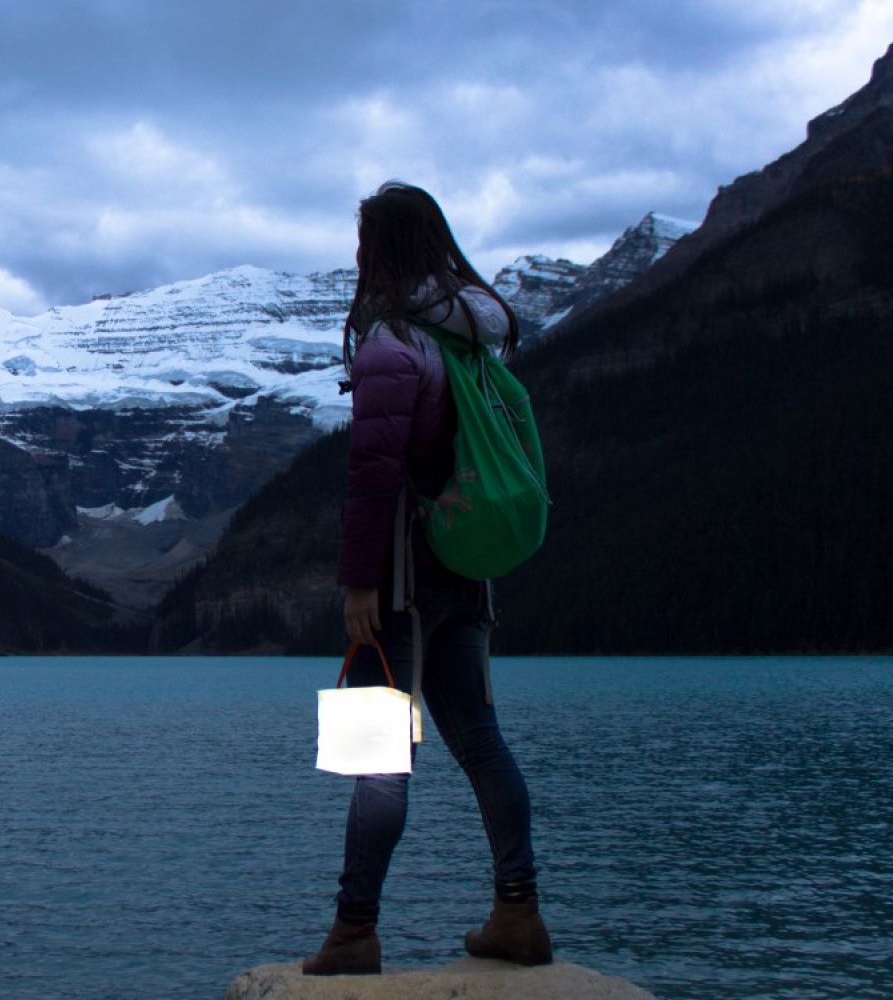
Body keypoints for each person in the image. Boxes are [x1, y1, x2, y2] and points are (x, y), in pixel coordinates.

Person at [302, 182, 552, 976]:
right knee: (482, 743)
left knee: (378, 755)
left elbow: (373, 473)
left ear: (378, 249)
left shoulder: (390, 343)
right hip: (468, 573)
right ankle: (519, 913)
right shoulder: (471, 336)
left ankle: (353, 933)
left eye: (361, 239)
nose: (354, 254)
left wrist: (358, 583)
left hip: (402, 577)